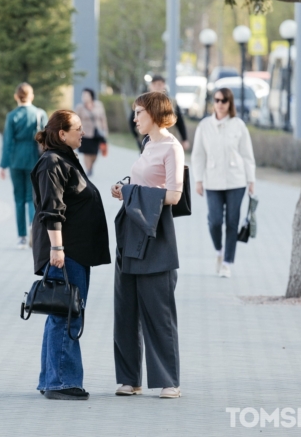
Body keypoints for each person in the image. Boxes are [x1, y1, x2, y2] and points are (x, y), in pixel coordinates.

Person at [31, 110, 111, 401]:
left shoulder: (64, 158)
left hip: (74, 251)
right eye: (77, 129)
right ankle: (62, 381)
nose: (83, 133)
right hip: (66, 252)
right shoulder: (52, 162)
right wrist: (57, 248)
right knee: (66, 315)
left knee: (61, 314)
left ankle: (52, 379)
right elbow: (52, 209)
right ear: (61, 133)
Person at [111, 91, 184, 399]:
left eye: (139, 112)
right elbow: (144, 184)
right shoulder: (147, 144)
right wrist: (125, 189)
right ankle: (130, 379)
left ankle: (169, 381)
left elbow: (174, 195)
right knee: (125, 308)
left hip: (156, 235)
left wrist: (132, 193)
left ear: (154, 113)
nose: (135, 118)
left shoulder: (172, 148)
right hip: (131, 232)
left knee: (158, 311)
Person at [191, 87, 256, 278]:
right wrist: (198, 180)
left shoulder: (239, 125)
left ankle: (227, 262)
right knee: (215, 221)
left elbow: (247, 155)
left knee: (232, 222)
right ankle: (219, 251)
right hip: (212, 181)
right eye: (217, 100)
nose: (220, 104)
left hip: (237, 180)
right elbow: (198, 155)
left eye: (224, 101)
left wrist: (251, 180)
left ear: (230, 104)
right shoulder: (204, 126)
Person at [0, 83, 48, 249]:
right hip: (34, 159)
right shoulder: (39, 114)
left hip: (15, 159)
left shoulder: (12, 116)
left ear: (16, 97)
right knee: (32, 198)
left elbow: (7, 141)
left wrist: (2, 165)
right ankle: (33, 228)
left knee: (18, 199)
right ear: (31, 96)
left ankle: (21, 237)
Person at [129, 75, 189, 150]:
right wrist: (137, 137)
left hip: (166, 141)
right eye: (154, 84)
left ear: (164, 85)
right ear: (150, 86)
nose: (157, 87)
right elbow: (132, 120)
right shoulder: (142, 102)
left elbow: (180, 122)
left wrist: (184, 139)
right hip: (147, 140)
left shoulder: (171, 103)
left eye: (159, 85)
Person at [74, 87, 108, 176]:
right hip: (85, 133)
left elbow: (103, 118)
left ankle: (91, 165)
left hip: (97, 133)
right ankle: (88, 169)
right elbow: (75, 120)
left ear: (91, 96)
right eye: (83, 95)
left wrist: (105, 130)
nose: (84, 97)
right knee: (86, 153)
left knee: (95, 153)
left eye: (86, 95)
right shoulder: (79, 107)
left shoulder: (98, 105)